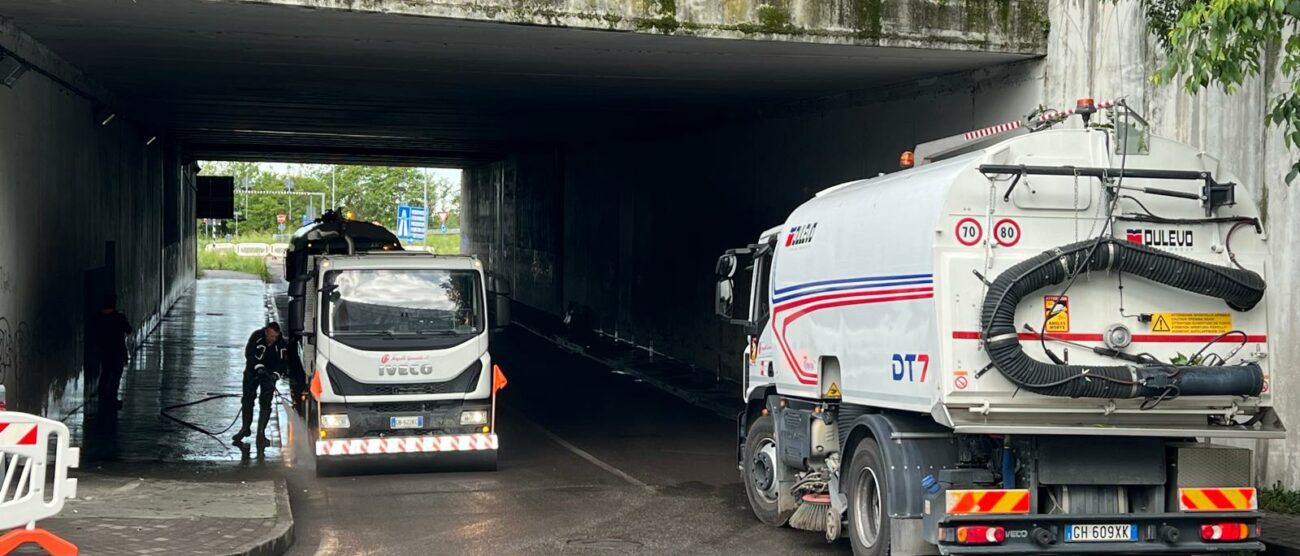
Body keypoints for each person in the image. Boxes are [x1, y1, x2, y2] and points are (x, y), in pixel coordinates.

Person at [234, 322, 288, 446]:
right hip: (252, 373)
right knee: (248, 399)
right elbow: (249, 353)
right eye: (271, 336)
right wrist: (258, 367)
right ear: (266, 332)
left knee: (265, 403)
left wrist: (275, 374)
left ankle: (261, 433)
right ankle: (245, 428)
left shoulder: (281, 344)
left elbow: (283, 362)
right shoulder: (256, 337)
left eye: (275, 336)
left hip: (269, 375)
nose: (273, 339)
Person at [93, 294, 131, 411]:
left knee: (105, 374)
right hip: (118, 351)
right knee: (116, 376)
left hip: (104, 351)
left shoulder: (99, 317)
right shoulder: (119, 317)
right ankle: (112, 399)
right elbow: (129, 330)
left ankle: (103, 399)